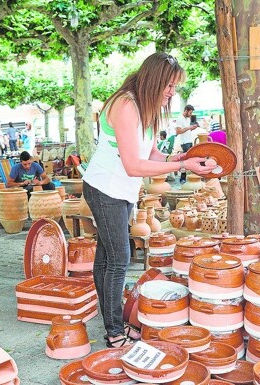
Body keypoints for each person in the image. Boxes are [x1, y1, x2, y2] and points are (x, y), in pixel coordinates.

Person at [82, 52, 213, 348]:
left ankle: (111, 321)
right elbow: (134, 165)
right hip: (105, 188)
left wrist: (181, 157)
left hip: (122, 190)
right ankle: (114, 331)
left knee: (106, 257)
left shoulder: (148, 107)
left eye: (174, 87)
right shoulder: (126, 105)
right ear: (154, 80)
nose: (172, 93)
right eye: (169, 86)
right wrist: (182, 167)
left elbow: (151, 155)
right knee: (119, 259)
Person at [175, 104, 199, 183]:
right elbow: (178, 131)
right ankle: (183, 178)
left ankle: (189, 178)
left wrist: (192, 128)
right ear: (186, 111)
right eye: (190, 112)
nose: (191, 114)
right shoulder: (180, 118)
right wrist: (189, 128)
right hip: (183, 142)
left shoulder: (188, 119)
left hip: (189, 141)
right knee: (185, 160)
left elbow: (186, 130)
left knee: (190, 159)